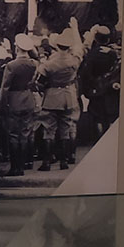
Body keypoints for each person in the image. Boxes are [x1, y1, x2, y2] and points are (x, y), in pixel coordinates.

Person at [36, 20, 84, 170]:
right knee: (65, 130)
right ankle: (64, 162)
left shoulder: (49, 64)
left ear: (56, 45)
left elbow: (39, 83)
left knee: (49, 131)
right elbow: (79, 47)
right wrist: (75, 29)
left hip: (51, 96)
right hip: (68, 95)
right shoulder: (74, 60)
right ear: (68, 47)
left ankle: (46, 162)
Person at [0, 34, 38, 176]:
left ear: (17, 47)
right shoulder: (34, 64)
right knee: (25, 133)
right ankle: (25, 164)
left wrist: (2, 106)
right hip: (28, 99)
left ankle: (16, 167)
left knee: (14, 135)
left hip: (14, 100)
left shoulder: (11, 65)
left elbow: (5, 88)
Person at [79, 25, 121, 136]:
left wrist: (89, 87)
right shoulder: (114, 54)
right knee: (110, 115)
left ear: (96, 39)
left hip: (96, 89)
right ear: (108, 39)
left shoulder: (92, 55)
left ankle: (99, 139)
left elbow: (85, 74)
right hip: (111, 89)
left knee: (98, 117)